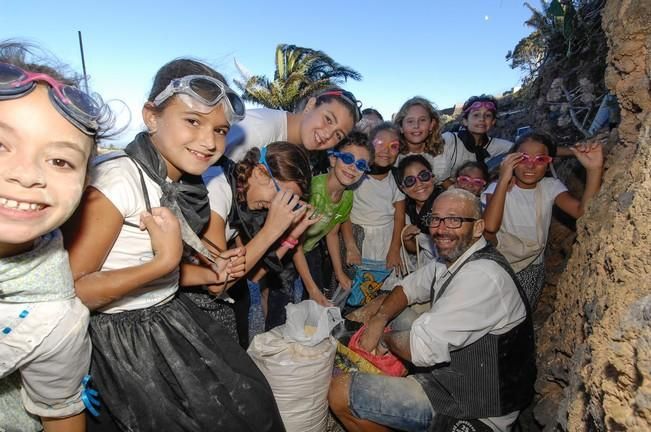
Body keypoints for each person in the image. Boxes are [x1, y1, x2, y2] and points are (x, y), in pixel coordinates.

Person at [63, 58, 285, 431]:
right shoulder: (120, 180)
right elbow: (73, 291)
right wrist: (161, 263)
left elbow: (147, 266)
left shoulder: (179, 181)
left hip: (166, 313)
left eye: (220, 130)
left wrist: (209, 271)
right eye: (192, 121)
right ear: (152, 116)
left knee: (249, 401)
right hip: (124, 341)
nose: (209, 141)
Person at [329, 189, 536, 432]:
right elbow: (407, 288)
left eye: (454, 220)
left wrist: (384, 339)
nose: (441, 228)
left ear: (478, 227)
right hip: (459, 374)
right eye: (435, 219)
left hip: (476, 406)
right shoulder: (453, 259)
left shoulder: (482, 277)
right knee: (392, 310)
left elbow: (422, 349)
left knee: (340, 392)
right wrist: (379, 319)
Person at [0, 42, 113, 432]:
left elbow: (62, 414)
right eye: (0, 145)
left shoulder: (55, 321)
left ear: (85, 185)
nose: (27, 174)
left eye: (60, 161)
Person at [201, 141, 316, 343]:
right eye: (283, 197)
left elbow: (254, 274)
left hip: (217, 296)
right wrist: (272, 229)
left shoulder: (246, 201)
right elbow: (216, 282)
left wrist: (291, 236)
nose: (277, 206)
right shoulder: (218, 188)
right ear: (260, 172)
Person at [483, 132, 603, 309]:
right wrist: (503, 180)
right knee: (491, 313)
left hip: (532, 267)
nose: (531, 165)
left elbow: (582, 212)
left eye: (540, 159)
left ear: (548, 164)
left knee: (520, 315)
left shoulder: (550, 187)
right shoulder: (497, 188)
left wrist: (594, 170)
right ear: (511, 160)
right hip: (498, 266)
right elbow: (490, 227)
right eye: (523, 158)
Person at [293, 131, 373, 305]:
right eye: (348, 159)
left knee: (315, 297)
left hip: (310, 248)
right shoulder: (312, 190)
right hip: (288, 248)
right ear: (333, 159)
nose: (353, 167)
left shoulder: (347, 197)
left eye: (361, 164)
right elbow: (294, 243)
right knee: (281, 298)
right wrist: (311, 288)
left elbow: (332, 233)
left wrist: (339, 273)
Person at [225, 87, 361, 162]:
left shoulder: (296, 151)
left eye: (338, 135)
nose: (327, 135)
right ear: (310, 105)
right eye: (328, 119)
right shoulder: (259, 130)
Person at [342, 122, 406, 277]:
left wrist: (395, 249)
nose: (386, 150)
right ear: (369, 146)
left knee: (386, 283)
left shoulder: (396, 178)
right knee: (358, 287)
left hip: (387, 240)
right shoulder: (355, 175)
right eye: (379, 143)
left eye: (393, 146)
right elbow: (343, 215)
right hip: (359, 241)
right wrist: (350, 246)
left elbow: (399, 217)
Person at [441, 94, 514, 181]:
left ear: (493, 121)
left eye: (488, 115)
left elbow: (521, 149)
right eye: (476, 115)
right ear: (465, 121)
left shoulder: (497, 145)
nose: (482, 119)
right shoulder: (449, 140)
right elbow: (437, 174)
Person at [396, 155, 444, 259]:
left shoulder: (447, 202)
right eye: (410, 181)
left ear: (433, 177)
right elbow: (416, 249)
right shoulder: (406, 210)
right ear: (403, 188)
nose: (419, 184)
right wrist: (407, 239)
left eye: (424, 176)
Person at [394, 97, 449, 183]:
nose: (416, 125)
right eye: (410, 121)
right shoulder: (393, 155)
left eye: (422, 120)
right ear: (401, 127)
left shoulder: (438, 153)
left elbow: (444, 182)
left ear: (431, 124)